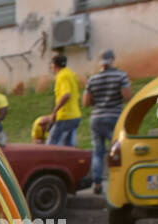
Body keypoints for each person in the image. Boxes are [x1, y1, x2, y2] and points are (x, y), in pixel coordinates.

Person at [82, 49, 131, 194]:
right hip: (114, 117)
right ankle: (120, 182)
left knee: (97, 152)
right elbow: (127, 96)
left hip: (96, 118)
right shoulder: (121, 76)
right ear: (113, 59)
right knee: (118, 150)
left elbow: (85, 102)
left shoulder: (93, 79)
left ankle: (97, 183)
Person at [48, 53, 82, 147]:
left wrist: (55, 111)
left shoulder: (62, 76)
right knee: (68, 146)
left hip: (65, 116)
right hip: (75, 115)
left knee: (51, 145)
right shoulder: (71, 74)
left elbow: (66, 95)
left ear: (54, 65)